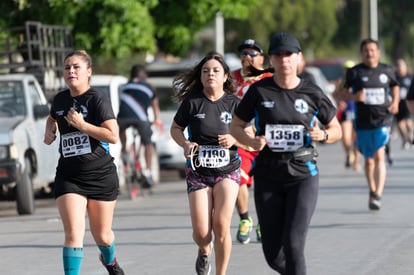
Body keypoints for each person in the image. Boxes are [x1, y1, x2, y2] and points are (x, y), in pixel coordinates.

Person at [230, 32, 342, 274]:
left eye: (289, 55)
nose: (284, 60)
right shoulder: (259, 91)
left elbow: (336, 129)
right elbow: (235, 127)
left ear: (298, 58)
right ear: (271, 59)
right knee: (273, 255)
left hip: (302, 175)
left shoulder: (311, 92)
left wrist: (322, 135)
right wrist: (250, 139)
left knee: (294, 245)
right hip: (268, 176)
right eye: (278, 55)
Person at [43, 50, 124, 275]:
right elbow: (52, 117)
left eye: (76, 67)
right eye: (67, 67)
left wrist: (83, 125)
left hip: (100, 174)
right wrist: (50, 129)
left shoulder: (97, 99)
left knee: (103, 235)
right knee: (73, 232)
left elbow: (113, 135)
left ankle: (110, 261)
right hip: (69, 176)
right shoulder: (60, 99)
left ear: (88, 72)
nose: (71, 71)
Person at [170, 52, 242, 275]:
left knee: (221, 224)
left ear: (225, 76)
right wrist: (185, 143)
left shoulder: (234, 103)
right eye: (206, 71)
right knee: (202, 232)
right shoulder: (192, 103)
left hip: (227, 170)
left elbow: (249, 134)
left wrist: (234, 138)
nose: (210, 74)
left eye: (215, 71)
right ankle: (204, 250)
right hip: (198, 170)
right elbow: (175, 129)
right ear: (200, 77)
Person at [340, 38, 399, 210]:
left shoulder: (387, 70)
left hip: (383, 119)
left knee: (379, 156)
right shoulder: (354, 72)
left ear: (378, 52)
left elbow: (395, 86)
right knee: (369, 161)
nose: (370, 53)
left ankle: (378, 194)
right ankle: (372, 191)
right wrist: (353, 97)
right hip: (363, 121)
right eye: (366, 50)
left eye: (373, 50)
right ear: (362, 53)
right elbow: (341, 93)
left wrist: (395, 102)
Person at [231, 38, 272, 244]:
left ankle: (263, 222)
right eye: (243, 53)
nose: (246, 57)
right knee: (240, 179)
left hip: (269, 141)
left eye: (252, 53)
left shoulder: (270, 78)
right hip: (243, 140)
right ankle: (245, 219)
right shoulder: (231, 79)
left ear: (261, 58)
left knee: (268, 185)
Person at [117, 64, 163, 188]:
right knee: (148, 142)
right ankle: (147, 171)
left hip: (123, 118)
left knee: (121, 129)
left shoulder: (124, 86)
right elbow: (155, 106)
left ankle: (125, 152)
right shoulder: (149, 87)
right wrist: (157, 119)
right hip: (141, 119)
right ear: (144, 75)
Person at [332, 60, 361, 171]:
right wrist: (339, 102)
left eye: (350, 69)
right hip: (346, 112)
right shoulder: (340, 82)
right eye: (346, 69)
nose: (348, 71)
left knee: (356, 138)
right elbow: (334, 94)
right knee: (345, 137)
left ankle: (356, 161)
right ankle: (349, 154)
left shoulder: (359, 81)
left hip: (358, 111)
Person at [394, 58, 413, 149]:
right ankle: (404, 140)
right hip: (398, 102)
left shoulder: (410, 76)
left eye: (401, 65)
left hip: (408, 102)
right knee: (400, 123)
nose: (400, 67)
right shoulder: (394, 78)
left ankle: (410, 136)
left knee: (408, 122)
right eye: (398, 65)